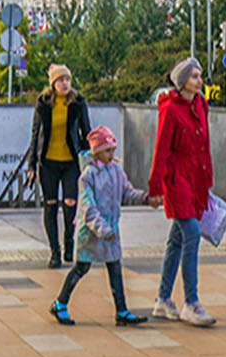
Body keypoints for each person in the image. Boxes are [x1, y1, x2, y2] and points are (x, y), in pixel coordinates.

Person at [49, 127, 150, 327]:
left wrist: (145, 198)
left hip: (109, 231)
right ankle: (60, 302)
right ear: (96, 152)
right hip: (91, 233)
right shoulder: (87, 176)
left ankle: (121, 310)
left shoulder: (116, 171)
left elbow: (127, 193)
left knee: (115, 267)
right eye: (107, 150)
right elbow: (87, 209)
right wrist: (103, 230)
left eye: (113, 149)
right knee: (81, 267)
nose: (112, 154)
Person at [148, 56, 216, 327]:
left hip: (194, 178)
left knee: (176, 241)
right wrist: (155, 188)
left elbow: (205, 142)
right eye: (194, 77)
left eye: (199, 76)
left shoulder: (201, 104)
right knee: (191, 234)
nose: (200, 81)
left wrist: (207, 179)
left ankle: (163, 300)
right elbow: (161, 149)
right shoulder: (170, 109)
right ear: (182, 82)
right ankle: (191, 303)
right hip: (176, 181)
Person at [26, 64, 93, 268]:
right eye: (60, 80)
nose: (65, 84)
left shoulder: (78, 102)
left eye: (67, 80)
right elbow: (36, 134)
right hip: (48, 162)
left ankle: (69, 242)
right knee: (51, 205)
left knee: (71, 203)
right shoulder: (44, 103)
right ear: (53, 83)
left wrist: (92, 157)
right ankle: (54, 251)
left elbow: (86, 131)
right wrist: (31, 165)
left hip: (71, 162)